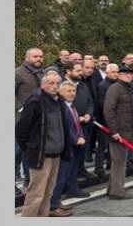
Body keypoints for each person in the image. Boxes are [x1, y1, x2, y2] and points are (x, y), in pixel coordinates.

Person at [16, 72, 71, 217]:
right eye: (51, 83)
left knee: (48, 192)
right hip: (42, 156)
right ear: (42, 85)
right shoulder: (36, 102)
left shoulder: (59, 101)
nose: (54, 87)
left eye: (57, 84)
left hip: (56, 155)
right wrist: (31, 149)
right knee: (36, 194)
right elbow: (22, 130)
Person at [49, 82, 89, 217]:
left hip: (74, 146)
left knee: (66, 176)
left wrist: (81, 136)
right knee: (59, 178)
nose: (72, 93)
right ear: (61, 93)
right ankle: (53, 206)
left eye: (73, 91)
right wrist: (75, 139)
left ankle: (56, 201)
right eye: (68, 91)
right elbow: (65, 129)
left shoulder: (71, 106)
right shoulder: (61, 108)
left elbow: (77, 124)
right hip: (66, 147)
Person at [103, 66, 133, 200]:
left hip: (127, 130)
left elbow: (132, 111)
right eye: (125, 74)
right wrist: (114, 131)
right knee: (119, 162)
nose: (128, 76)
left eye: (130, 74)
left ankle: (114, 187)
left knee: (120, 160)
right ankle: (117, 191)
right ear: (119, 75)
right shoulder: (115, 89)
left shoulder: (129, 89)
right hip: (118, 132)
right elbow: (108, 110)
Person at [15, 47, 44, 195]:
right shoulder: (18, 73)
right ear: (27, 58)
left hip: (37, 121)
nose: (39, 59)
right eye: (35, 56)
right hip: (19, 120)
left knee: (29, 151)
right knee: (15, 153)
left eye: (40, 56)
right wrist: (20, 108)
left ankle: (29, 179)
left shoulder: (42, 74)